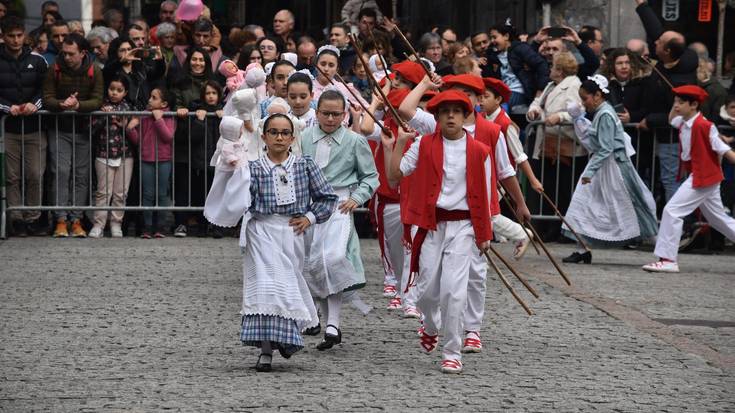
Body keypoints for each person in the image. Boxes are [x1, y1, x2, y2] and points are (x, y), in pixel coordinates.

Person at [203, 113, 337, 372]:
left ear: (292, 137)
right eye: (273, 132)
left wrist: (309, 217)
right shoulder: (252, 168)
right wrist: (233, 166)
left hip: (292, 233)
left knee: (286, 289)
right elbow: (238, 195)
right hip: (262, 231)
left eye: (284, 132)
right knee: (266, 289)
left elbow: (327, 198)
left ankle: (285, 337)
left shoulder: (304, 165)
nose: (279, 137)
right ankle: (266, 350)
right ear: (263, 136)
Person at [384, 90, 494, 374]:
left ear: (465, 115)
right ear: (437, 116)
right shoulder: (423, 144)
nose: (451, 116)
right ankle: (430, 324)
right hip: (431, 226)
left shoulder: (480, 151)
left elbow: (484, 195)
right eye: (445, 112)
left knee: (454, 292)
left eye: (457, 111)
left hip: (464, 228)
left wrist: (484, 235)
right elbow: (395, 176)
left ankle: (452, 351)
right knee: (425, 293)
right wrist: (398, 145)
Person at [300, 89, 379, 350]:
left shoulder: (355, 141)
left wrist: (357, 197)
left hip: (338, 205)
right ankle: (329, 325)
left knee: (332, 258)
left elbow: (370, 175)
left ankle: (333, 321)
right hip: (310, 205)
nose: (331, 119)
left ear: (345, 115)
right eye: (325, 113)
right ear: (317, 112)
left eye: (336, 114)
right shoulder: (304, 137)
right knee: (313, 263)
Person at [561, 75, 657, 263]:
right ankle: (582, 249)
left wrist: (589, 172)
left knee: (634, 205)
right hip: (604, 166)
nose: (583, 103)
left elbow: (605, 148)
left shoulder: (605, 114)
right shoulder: (603, 112)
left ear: (597, 95)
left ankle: (662, 249)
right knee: (583, 203)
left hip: (612, 168)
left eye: (585, 98)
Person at [642, 86, 735, 273]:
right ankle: (667, 259)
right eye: (675, 102)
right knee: (719, 220)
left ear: (693, 105)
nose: (676, 106)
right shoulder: (684, 120)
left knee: (672, 211)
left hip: (703, 177)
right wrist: (675, 102)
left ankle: (668, 259)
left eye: (680, 102)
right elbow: (671, 120)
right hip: (703, 176)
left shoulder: (705, 126)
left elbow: (725, 151)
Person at [635, 0, 699, 203]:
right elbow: (657, 32)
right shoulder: (673, 56)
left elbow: (682, 114)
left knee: (671, 181)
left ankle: (675, 226)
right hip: (657, 136)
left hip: (672, 138)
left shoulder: (681, 81)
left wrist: (650, 120)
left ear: (667, 51)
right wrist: (643, 5)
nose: (654, 43)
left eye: (659, 43)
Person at [42, 33, 104, 238]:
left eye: (71, 54)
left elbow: (97, 100)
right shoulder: (55, 68)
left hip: (84, 130)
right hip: (59, 129)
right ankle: (60, 219)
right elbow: (47, 98)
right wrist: (61, 104)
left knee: (81, 176)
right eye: (64, 53)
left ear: (82, 53)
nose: (66, 57)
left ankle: (76, 219)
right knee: (60, 172)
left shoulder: (94, 70)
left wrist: (78, 106)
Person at [525, 52, 584, 242]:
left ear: (560, 69)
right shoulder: (551, 85)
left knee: (563, 189)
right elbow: (536, 103)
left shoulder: (573, 86)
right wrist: (533, 113)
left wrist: (560, 117)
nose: (549, 69)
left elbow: (578, 111)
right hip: (548, 144)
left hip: (565, 146)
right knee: (549, 188)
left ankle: (561, 229)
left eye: (553, 66)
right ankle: (547, 228)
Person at [0, 16, 49, 237]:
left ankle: (33, 218)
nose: (16, 40)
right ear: (3, 37)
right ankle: (16, 218)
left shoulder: (38, 60)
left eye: (19, 35)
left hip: (34, 126)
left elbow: (46, 90)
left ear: (24, 35)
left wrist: (35, 105)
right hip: (7, 128)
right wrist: (6, 107)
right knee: (11, 177)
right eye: (11, 36)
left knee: (35, 174)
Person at [172, 47, 212, 237]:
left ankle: (205, 223)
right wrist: (181, 108)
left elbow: (215, 101)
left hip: (205, 139)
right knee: (183, 184)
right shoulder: (180, 83)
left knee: (204, 184)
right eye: (194, 59)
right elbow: (176, 103)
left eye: (202, 60)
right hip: (184, 139)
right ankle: (181, 222)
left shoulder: (212, 82)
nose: (198, 63)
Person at [126, 86, 176, 239]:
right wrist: (130, 129)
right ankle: (147, 227)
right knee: (147, 194)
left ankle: (160, 227)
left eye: (154, 98)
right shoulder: (144, 116)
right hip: (146, 158)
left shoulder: (169, 116)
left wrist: (159, 119)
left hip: (164, 159)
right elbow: (138, 140)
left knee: (162, 194)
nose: (149, 100)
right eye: (150, 97)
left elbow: (167, 137)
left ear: (163, 103)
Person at [88, 76, 134, 238]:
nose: (114, 93)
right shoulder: (100, 106)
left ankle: (116, 223)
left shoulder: (128, 108)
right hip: (103, 153)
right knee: (103, 192)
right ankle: (99, 224)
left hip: (125, 155)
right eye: (112, 89)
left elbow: (132, 132)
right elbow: (91, 129)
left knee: (121, 193)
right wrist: (103, 116)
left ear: (125, 92)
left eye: (119, 90)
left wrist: (125, 124)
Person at [485, 22, 549, 112]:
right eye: (491, 38)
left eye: (495, 37)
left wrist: (540, 88)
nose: (492, 41)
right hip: (502, 92)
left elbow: (540, 64)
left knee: (501, 109)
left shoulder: (519, 49)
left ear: (506, 36)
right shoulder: (493, 55)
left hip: (518, 91)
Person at [189, 80, 225, 237]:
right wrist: (199, 120)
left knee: (218, 194)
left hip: (219, 161)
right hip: (202, 160)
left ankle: (216, 225)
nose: (211, 97)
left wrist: (223, 119)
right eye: (208, 93)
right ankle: (202, 225)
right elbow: (194, 137)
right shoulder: (198, 112)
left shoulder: (224, 112)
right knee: (201, 194)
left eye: (214, 93)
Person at [103, 38, 166, 111]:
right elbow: (105, 73)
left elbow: (157, 74)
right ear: (115, 52)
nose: (127, 53)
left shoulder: (140, 67)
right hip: (121, 112)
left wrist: (160, 60)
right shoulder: (112, 69)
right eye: (122, 50)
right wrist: (121, 62)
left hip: (141, 111)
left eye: (129, 49)